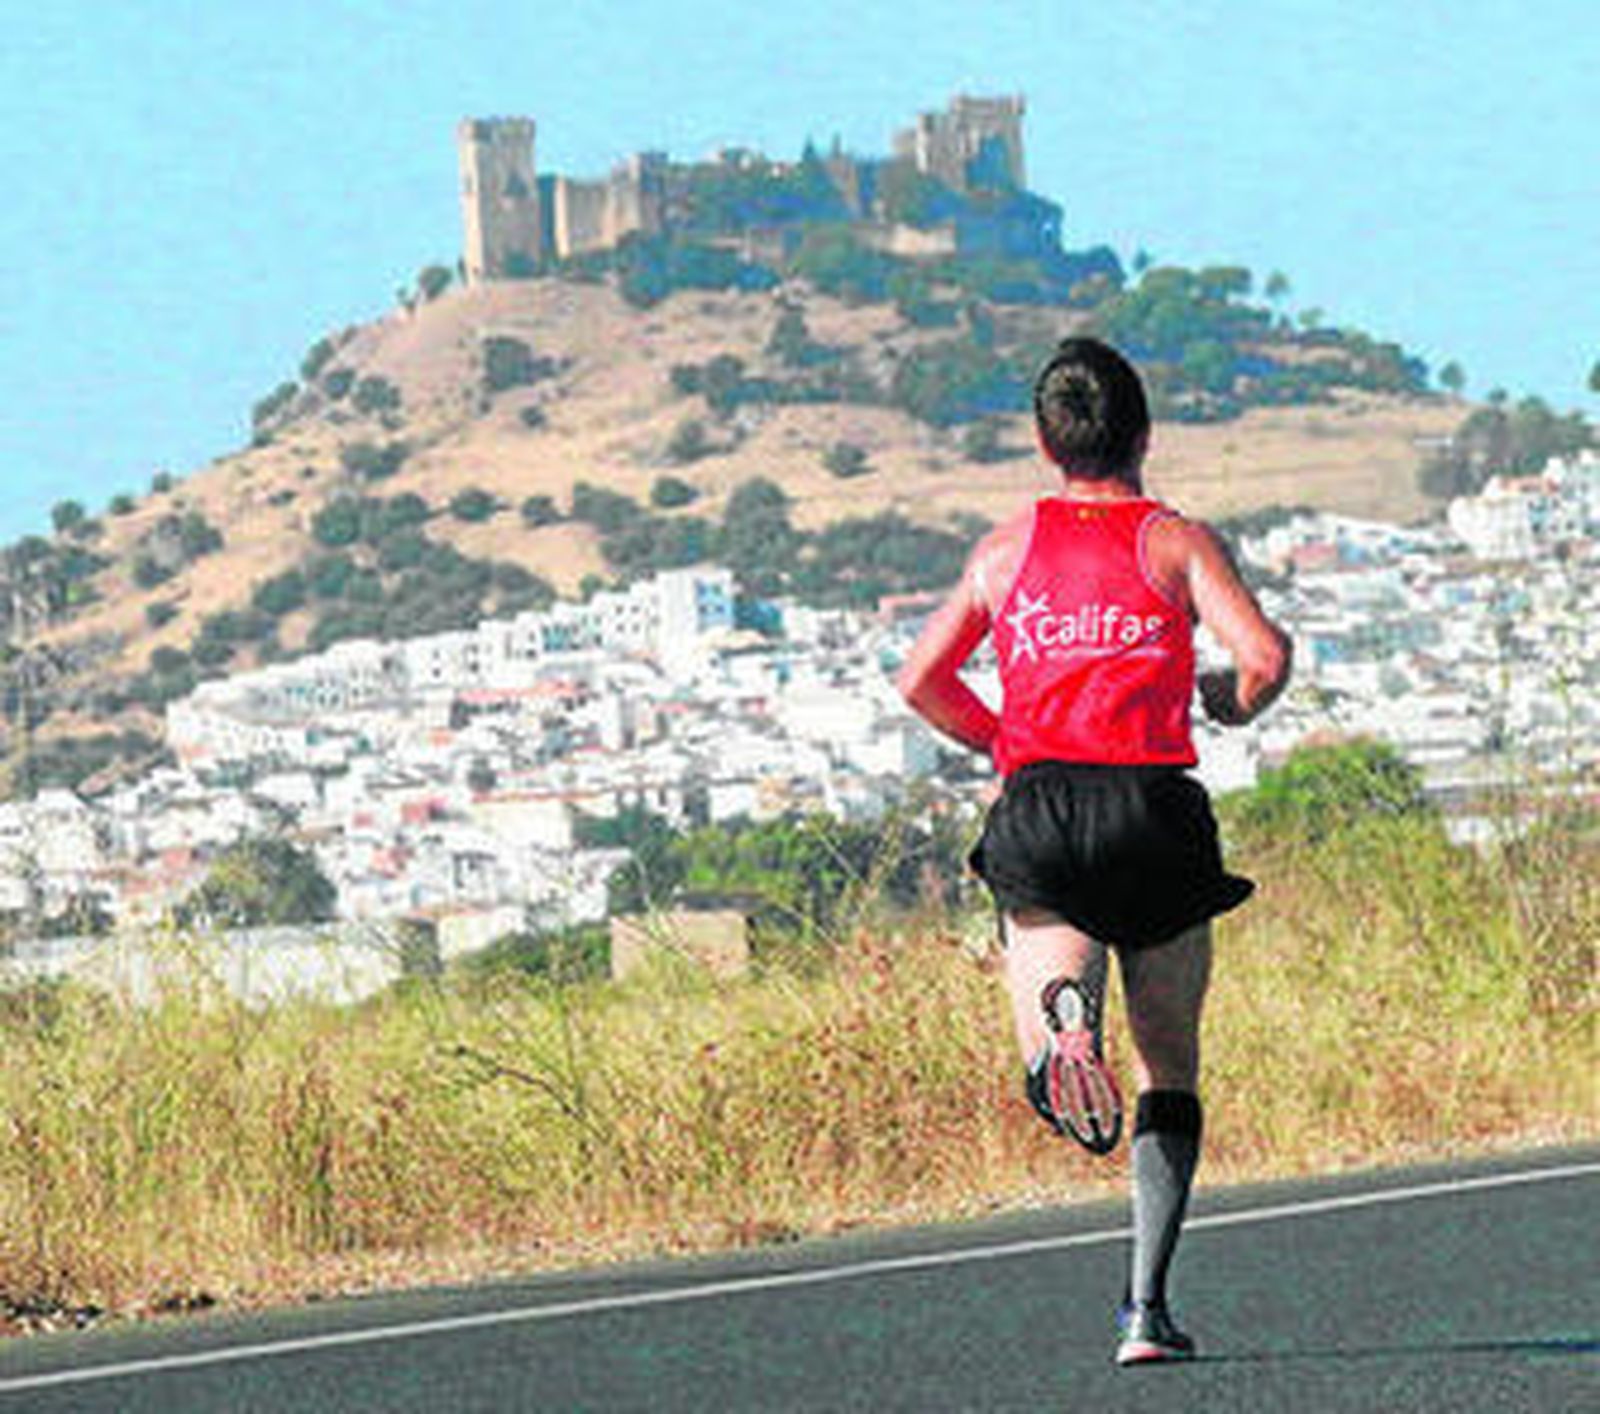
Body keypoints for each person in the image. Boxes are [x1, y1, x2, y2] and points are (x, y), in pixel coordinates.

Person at [897, 337, 1291, 1366]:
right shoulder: (1175, 543)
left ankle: (1062, 1031)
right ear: (1144, 433)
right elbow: (1264, 656)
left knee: (1052, 987)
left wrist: (1004, 739)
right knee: (1170, 1064)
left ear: (1043, 441)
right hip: (1152, 808)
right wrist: (1229, 704)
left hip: (1039, 803)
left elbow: (918, 680)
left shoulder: (1003, 550)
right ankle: (1144, 1311)